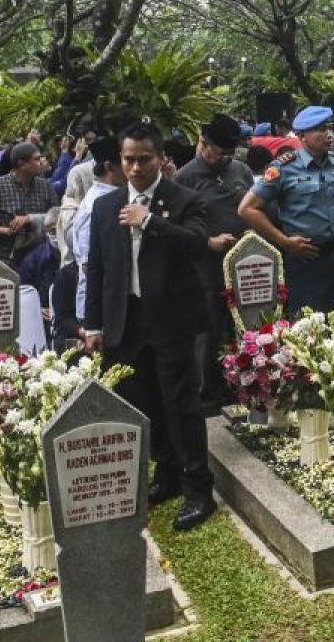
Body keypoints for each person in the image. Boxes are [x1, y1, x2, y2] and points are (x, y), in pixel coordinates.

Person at [82, 122, 215, 532]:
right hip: (127, 321)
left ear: (160, 158)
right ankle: (168, 472)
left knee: (181, 404)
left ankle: (199, 489)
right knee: (144, 403)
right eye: (128, 160)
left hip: (172, 320)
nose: (135, 168)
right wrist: (93, 324)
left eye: (144, 159)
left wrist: (150, 221)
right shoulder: (106, 205)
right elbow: (98, 268)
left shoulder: (185, 198)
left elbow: (197, 242)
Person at [238, 105, 334, 316]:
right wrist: (284, 241)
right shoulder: (284, 168)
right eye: (320, 129)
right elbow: (246, 209)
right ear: (302, 136)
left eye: (329, 127)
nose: (328, 134)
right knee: (308, 326)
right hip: (305, 258)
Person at [175, 114, 255, 405]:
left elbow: (254, 206)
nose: (225, 159)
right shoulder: (185, 177)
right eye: (220, 153)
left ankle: (246, 383)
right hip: (206, 268)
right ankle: (206, 390)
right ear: (204, 144)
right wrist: (209, 240)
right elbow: (178, 229)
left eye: (230, 154)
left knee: (245, 325)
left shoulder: (241, 170)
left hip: (243, 266)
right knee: (208, 330)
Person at [71, 138, 123, 328]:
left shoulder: (115, 196)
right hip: (98, 305)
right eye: (126, 161)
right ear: (109, 166)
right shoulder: (95, 204)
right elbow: (88, 264)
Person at [0, 141, 58, 268]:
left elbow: (57, 215)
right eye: (37, 159)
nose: (42, 162)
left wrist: (30, 219)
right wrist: (6, 230)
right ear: (22, 164)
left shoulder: (45, 186)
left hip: (39, 259)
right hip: (4, 258)